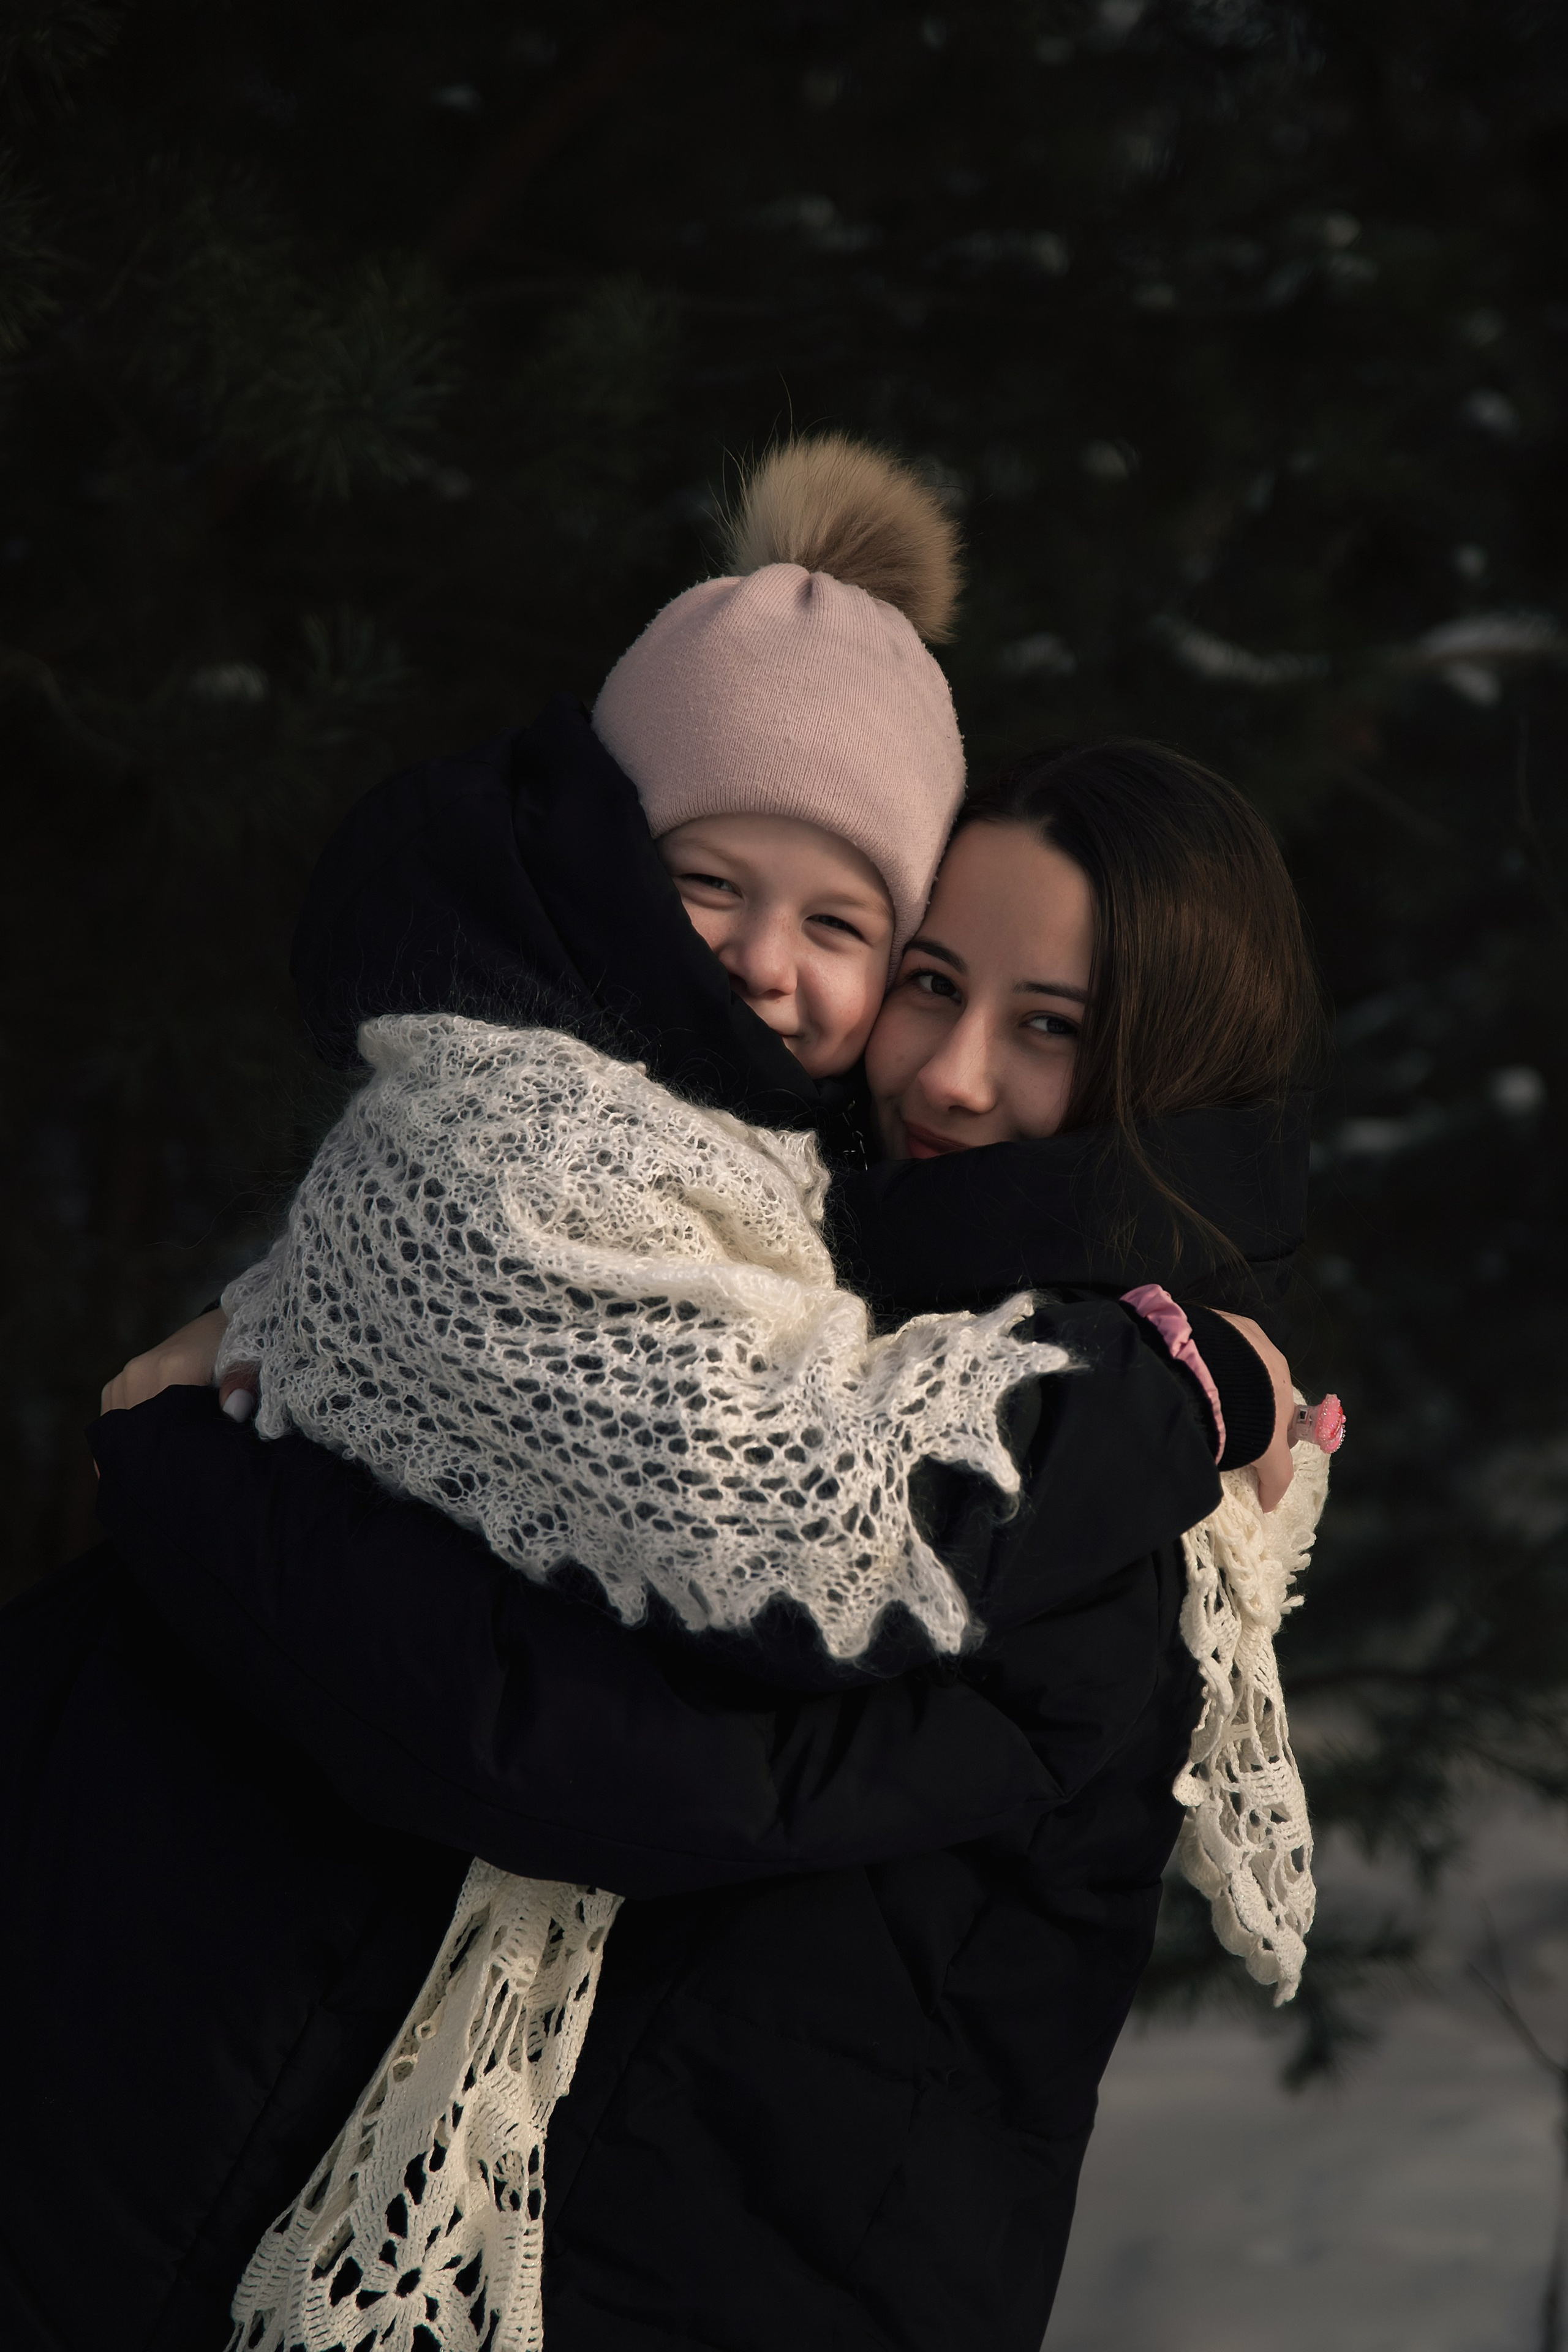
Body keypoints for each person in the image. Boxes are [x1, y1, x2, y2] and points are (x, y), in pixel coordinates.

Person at [1, 443, 1321, 2352]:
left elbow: (576, 1756)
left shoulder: (1095, 1440)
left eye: (1052, 1031)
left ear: (1173, 1062)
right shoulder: (754, 1246)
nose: (946, 1075)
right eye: (933, 983)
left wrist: (179, 1467)